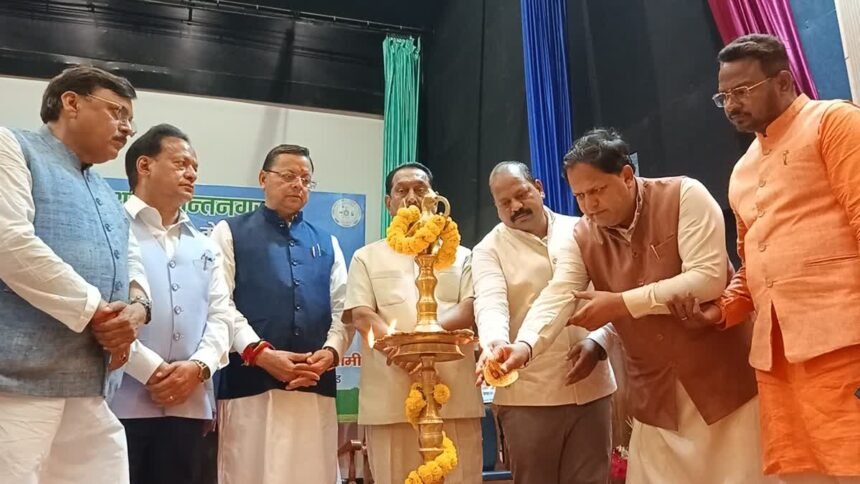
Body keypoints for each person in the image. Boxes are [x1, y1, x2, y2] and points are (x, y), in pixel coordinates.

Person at [493, 129, 769, 483]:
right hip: (655, 395)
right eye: (579, 196)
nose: (589, 205)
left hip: (723, 383)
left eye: (597, 190)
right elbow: (560, 293)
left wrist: (621, 303)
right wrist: (525, 345)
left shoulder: (684, 195)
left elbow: (707, 278)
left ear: (626, 176)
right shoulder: (583, 235)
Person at [675, 33, 860, 483]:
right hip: (777, 359)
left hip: (844, 343)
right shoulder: (742, 169)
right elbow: (751, 264)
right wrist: (721, 311)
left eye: (742, 90)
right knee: (802, 475)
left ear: (783, 81)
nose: (732, 104)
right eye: (724, 96)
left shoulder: (833, 122)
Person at [0, 66, 150, 484]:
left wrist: (138, 311)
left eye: (130, 119)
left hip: (93, 386)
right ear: (71, 103)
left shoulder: (105, 189)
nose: (127, 128)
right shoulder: (12, 147)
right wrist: (97, 312)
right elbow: (9, 242)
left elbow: (131, 260)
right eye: (117, 112)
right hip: (17, 386)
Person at [211, 144, 351, 484]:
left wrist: (330, 354)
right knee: (249, 473)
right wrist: (260, 354)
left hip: (313, 385)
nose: (298, 185)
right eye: (288, 176)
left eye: (305, 179)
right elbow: (220, 303)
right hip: (250, 385)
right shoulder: (229, 232)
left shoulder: (328, 242)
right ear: (263, 178)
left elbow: (344, 310)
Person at [472, 161, 616, 484]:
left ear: (539, 188)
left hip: (592, 387)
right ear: (496, 208)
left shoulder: (583, 228)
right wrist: (495, 343)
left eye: (521, 194)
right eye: (504, 203)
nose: (516, 207)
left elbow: (614, 291)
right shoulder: (488, 250)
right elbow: (490, 302)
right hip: (529, 396)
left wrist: (598, 342)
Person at [343, 162, 484, 484]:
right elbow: (362, 316)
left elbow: (471, 308)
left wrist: (427, 344)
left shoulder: (463, 256)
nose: (411, 197)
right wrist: (411, 357)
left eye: (420, 190)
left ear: (435, 197)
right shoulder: (366, 257)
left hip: (454, 399)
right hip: (390, 402)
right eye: (401, 190)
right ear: (388, 202)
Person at [110, 124, 232, 484]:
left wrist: (199, 367)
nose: (191, 174)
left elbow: (221, 315)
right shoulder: (111, 227)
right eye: (181, 164)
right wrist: (152, 372)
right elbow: (102, 314)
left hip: (188, 405)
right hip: (118, 403)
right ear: (144, 166)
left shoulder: (205, 244)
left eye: (194, 167)